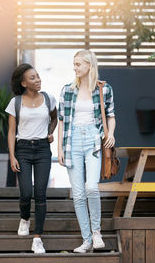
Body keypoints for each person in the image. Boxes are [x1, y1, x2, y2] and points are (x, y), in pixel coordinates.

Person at [57, 50, 116, 253]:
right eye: (74, 64)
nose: (75, 67)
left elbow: (111, 115)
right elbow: (62, 122)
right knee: (79, 194)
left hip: (93, 140)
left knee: (92, 187)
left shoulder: (104, 89)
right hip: (72, 141)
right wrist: (60, 149)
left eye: (78, 64)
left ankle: (97, 232)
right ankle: (86, 240)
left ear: (89, 65)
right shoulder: (67, 90)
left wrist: (111, 134)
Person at [5, 63, 57, 253]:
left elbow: (54, 119)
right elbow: (11, 132)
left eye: (38, 76)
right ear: (24, 83)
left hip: (43, 149)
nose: (38, 80)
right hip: (23, 151)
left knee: (41, 194)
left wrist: (50, 132)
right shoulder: (15, 102)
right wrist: (12, 156)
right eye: (33, 78)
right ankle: (25, 218)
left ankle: (37, 238)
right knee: (26, 193)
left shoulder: (49, 98)